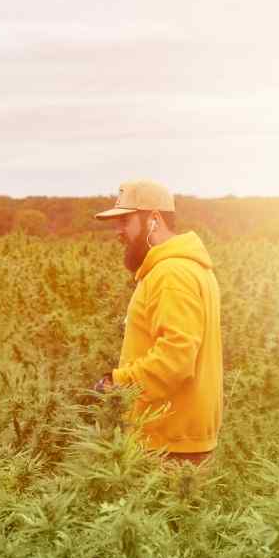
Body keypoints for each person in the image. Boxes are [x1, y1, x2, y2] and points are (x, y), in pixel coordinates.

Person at [93, 180, 223, 466]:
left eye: (125, 221)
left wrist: (117, 384)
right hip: (176, 438)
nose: (118, 232)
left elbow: (176, 355)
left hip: (168, 445)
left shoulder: (171, 273)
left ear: (154, 219)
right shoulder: (187, 268)